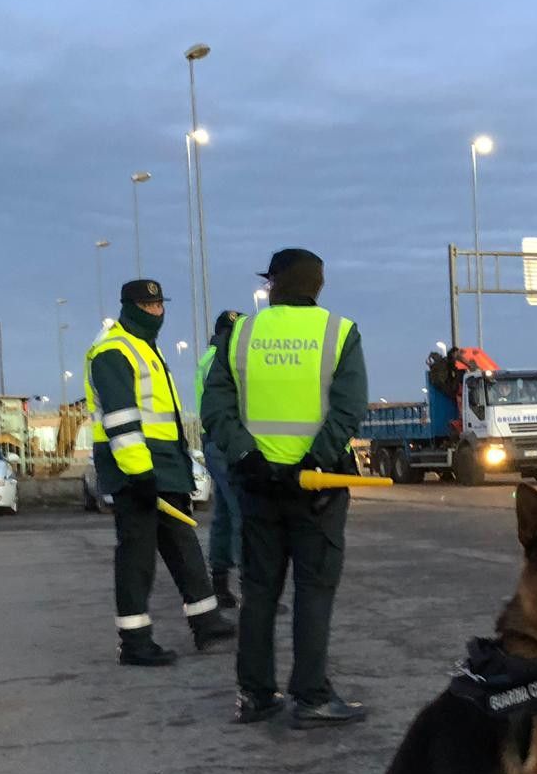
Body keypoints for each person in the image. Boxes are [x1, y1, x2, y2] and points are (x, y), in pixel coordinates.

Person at [201, 249, 369, 728]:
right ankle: (310, 696)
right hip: (317, 487)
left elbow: (216, 407)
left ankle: (255, 695)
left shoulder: (240, 334)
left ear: (274, 284)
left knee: (259, 591)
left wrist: (247, 456)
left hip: (258, 486)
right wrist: (315, 459)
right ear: (318, 285)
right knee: (314, 590)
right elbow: (349, 407)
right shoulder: (339, 332)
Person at [87, 279, 236, 666]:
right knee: (137, 555)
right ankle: (134, 641)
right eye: (147, 306)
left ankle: (207, 622)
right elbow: (120, 417)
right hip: (136, 469)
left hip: (163, 465)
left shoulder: (144, 347)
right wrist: (138, 473)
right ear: (129, 307)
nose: (156, 312)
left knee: (183, 545)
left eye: (158, 305)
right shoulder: (113, 350)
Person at [196, 309, 245, 608]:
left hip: (212, 441)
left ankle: (220, 585)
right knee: (243, 513)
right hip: (226, 440)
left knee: (224, 515)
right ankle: (251, 588)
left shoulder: (207, 358)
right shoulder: (224, 359)